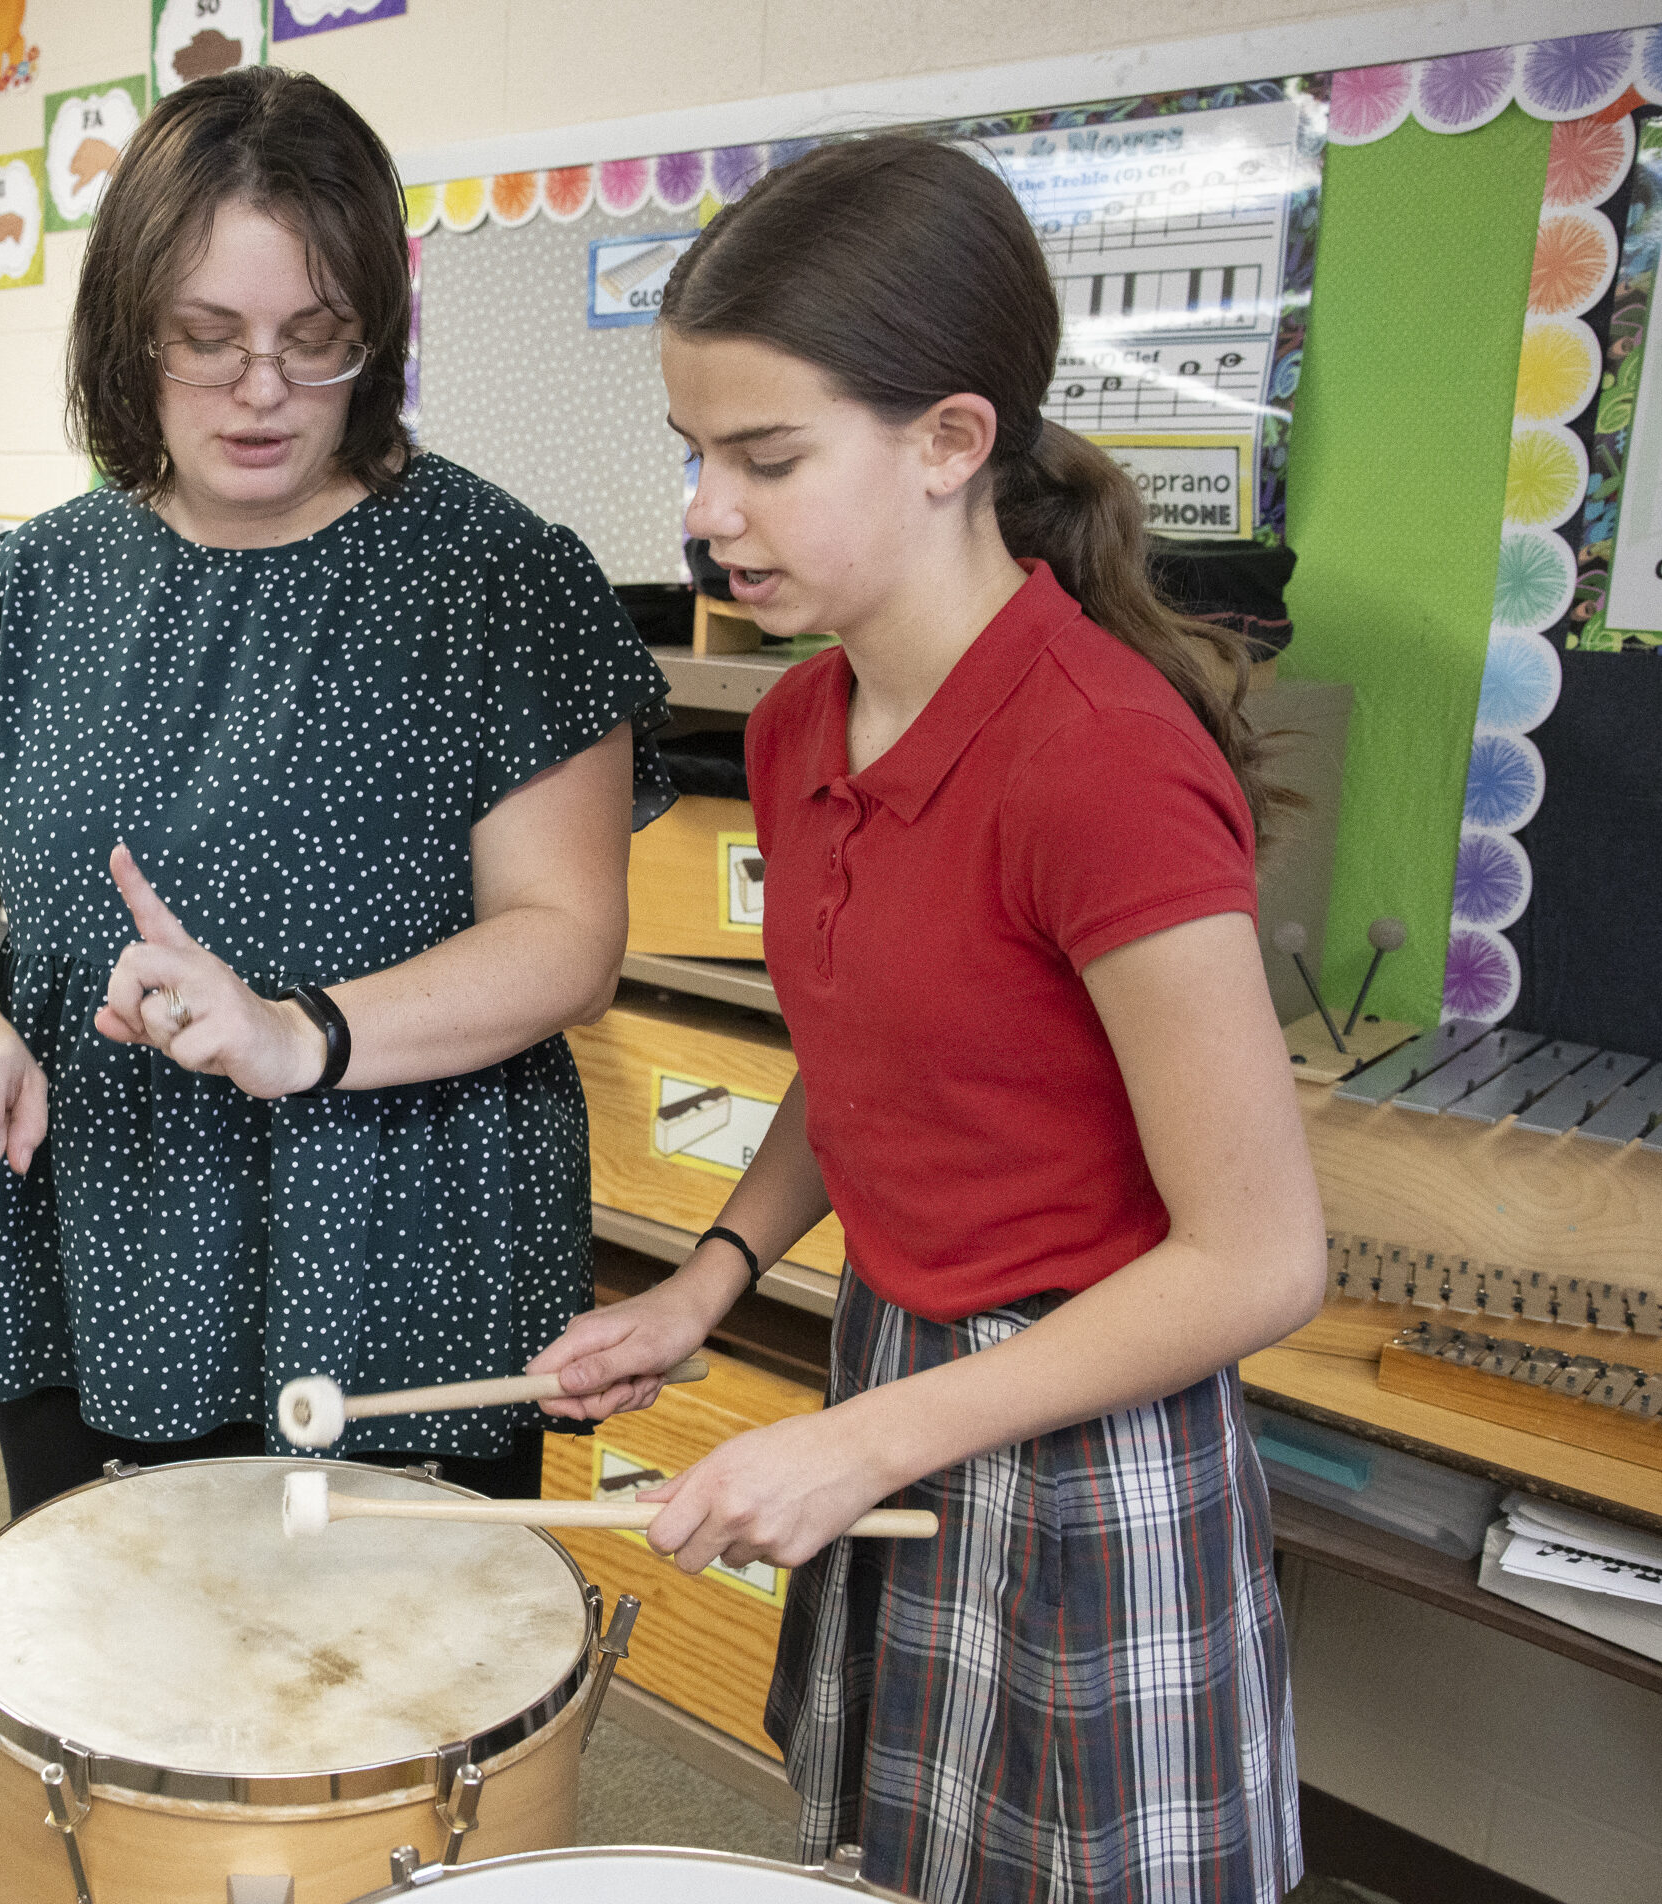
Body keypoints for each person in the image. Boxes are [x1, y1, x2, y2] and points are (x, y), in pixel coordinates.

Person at [528, 135, 1320, 1904]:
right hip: (897, 1359)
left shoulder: (1099, 762)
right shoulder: (810, 722)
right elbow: (873, 1064)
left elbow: (1261, 1258)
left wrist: (869, 1437)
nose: (706, 513)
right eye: (695, 456)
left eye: (768, 459)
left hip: (1092, 1426)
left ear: (955, 442)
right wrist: (710, 1282)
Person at [0, 67, 670, 1518]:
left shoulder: (498, 581)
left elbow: (567, 938)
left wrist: (301, 1035)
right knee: (117, 1689)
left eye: (317, 343)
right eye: (207, 339)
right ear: (127, 334)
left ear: (376, 332)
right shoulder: (29, 588)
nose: (261, 392)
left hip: (400, 1258)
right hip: (101, 1233)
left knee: (395, 1713)